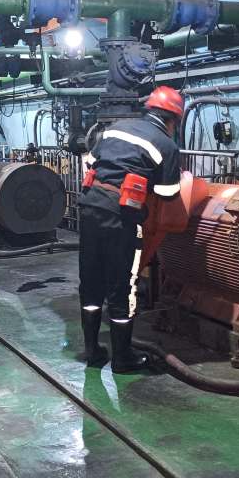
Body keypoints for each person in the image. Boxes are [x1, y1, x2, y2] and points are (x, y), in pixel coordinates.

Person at [77, 85, 183, 373]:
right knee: (122, 285)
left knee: (91, 280)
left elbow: (93, 162)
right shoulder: (166, 145)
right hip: (120, 217)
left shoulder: (114, 129)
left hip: (89, 207)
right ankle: (122, 358)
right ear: (173, 121)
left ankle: (92, 350)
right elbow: (168, 194)